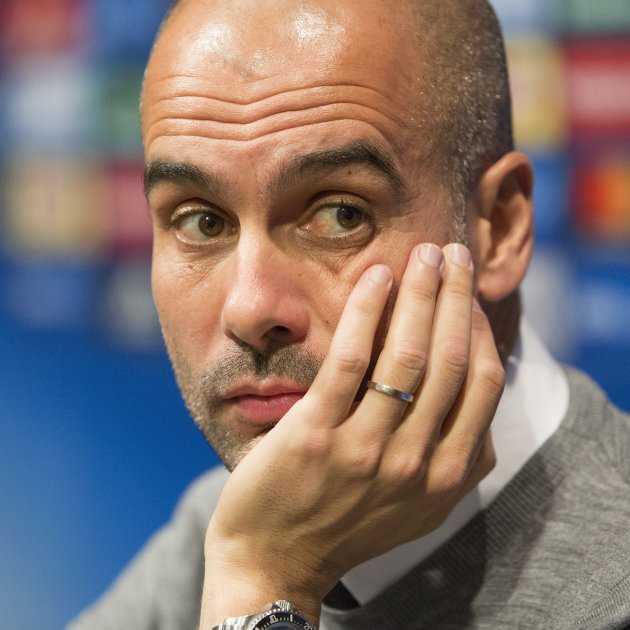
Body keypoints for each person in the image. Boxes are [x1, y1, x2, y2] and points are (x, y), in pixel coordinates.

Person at [68, 0, 630, 628]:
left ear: (497, 229)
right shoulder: (239, 523)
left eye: (341, 215)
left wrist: (264, 582)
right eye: (201, 221)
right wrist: (260, 566)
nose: (250, 308)